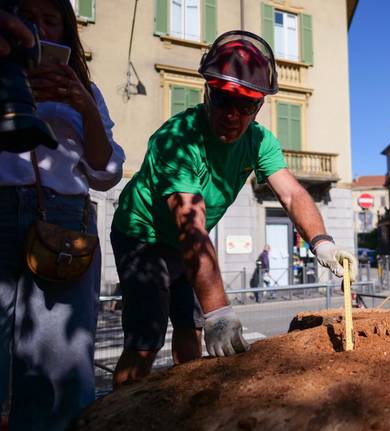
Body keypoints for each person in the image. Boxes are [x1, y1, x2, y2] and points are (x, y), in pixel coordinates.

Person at [110, 30, 357, 389]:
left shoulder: (259, 140)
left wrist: (322, 243)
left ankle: (186, 404)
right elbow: (190, 227)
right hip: (142, 235)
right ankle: (117, 415)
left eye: (247, 105)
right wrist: (220, 311)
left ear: (258, 106)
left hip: (185, 245)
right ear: (208, 91)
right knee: (146, 341)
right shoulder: (177, 140)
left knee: (191, 327)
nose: (233, 114)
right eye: (225, 100)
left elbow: (291, 195)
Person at [0, 0, 125, 429]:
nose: (37, 29)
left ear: (67, 32)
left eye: (50, 20)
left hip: (64, 222)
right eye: (26, 18)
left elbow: (106, 173)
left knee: (60, 375)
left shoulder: (86, 91)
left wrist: (84, 106)